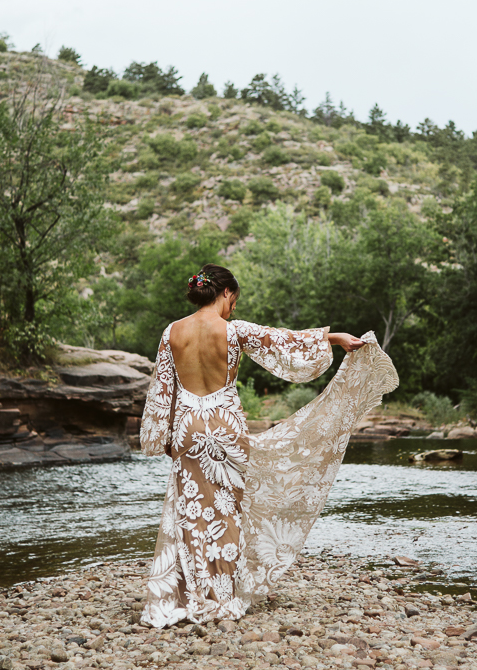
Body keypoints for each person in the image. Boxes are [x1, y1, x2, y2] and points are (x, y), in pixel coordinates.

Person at [139, 262, 398, 627]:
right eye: (234, 300)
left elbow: (162, 388)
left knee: (190, 510)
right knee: (226, 510)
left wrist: (164, 437)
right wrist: (336, 337)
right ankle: (220, 596)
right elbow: (284, 341)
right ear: (226, 293)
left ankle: (185, 594)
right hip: (224, 424)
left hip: (187, 427)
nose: (234, 308)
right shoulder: (233, 330)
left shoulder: (171, 332)